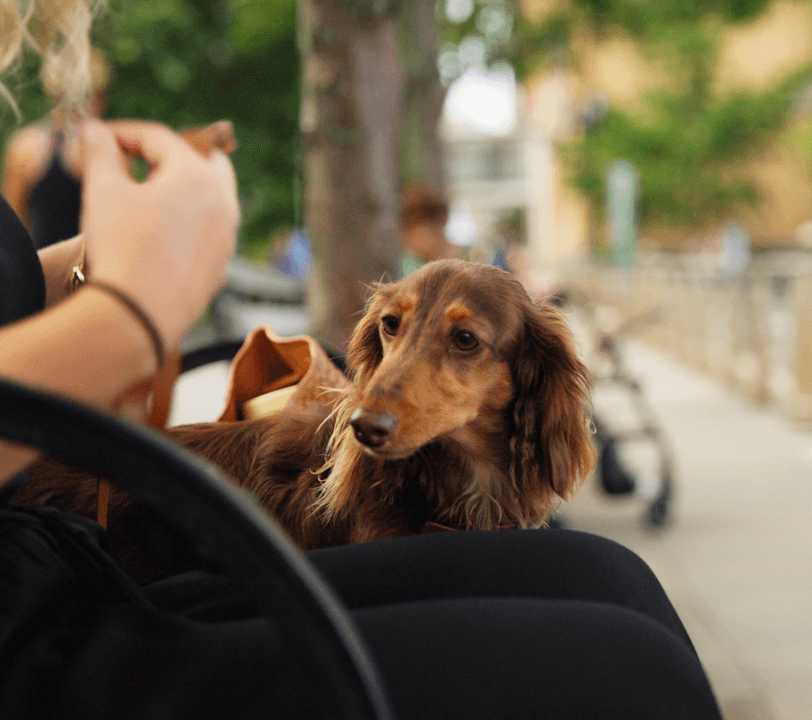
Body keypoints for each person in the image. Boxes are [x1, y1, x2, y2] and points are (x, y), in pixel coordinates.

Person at [0, 3, 722, 718]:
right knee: (630, 670)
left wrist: (92, 261)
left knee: (614, 578)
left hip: (60, 547)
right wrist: (133, 311)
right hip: (36, 618)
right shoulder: (30, 152)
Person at [1, 45, 109, 248]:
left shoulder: (25, 146)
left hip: (45, 269)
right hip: (91, 271)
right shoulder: (103, 146)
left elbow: (11, 228)